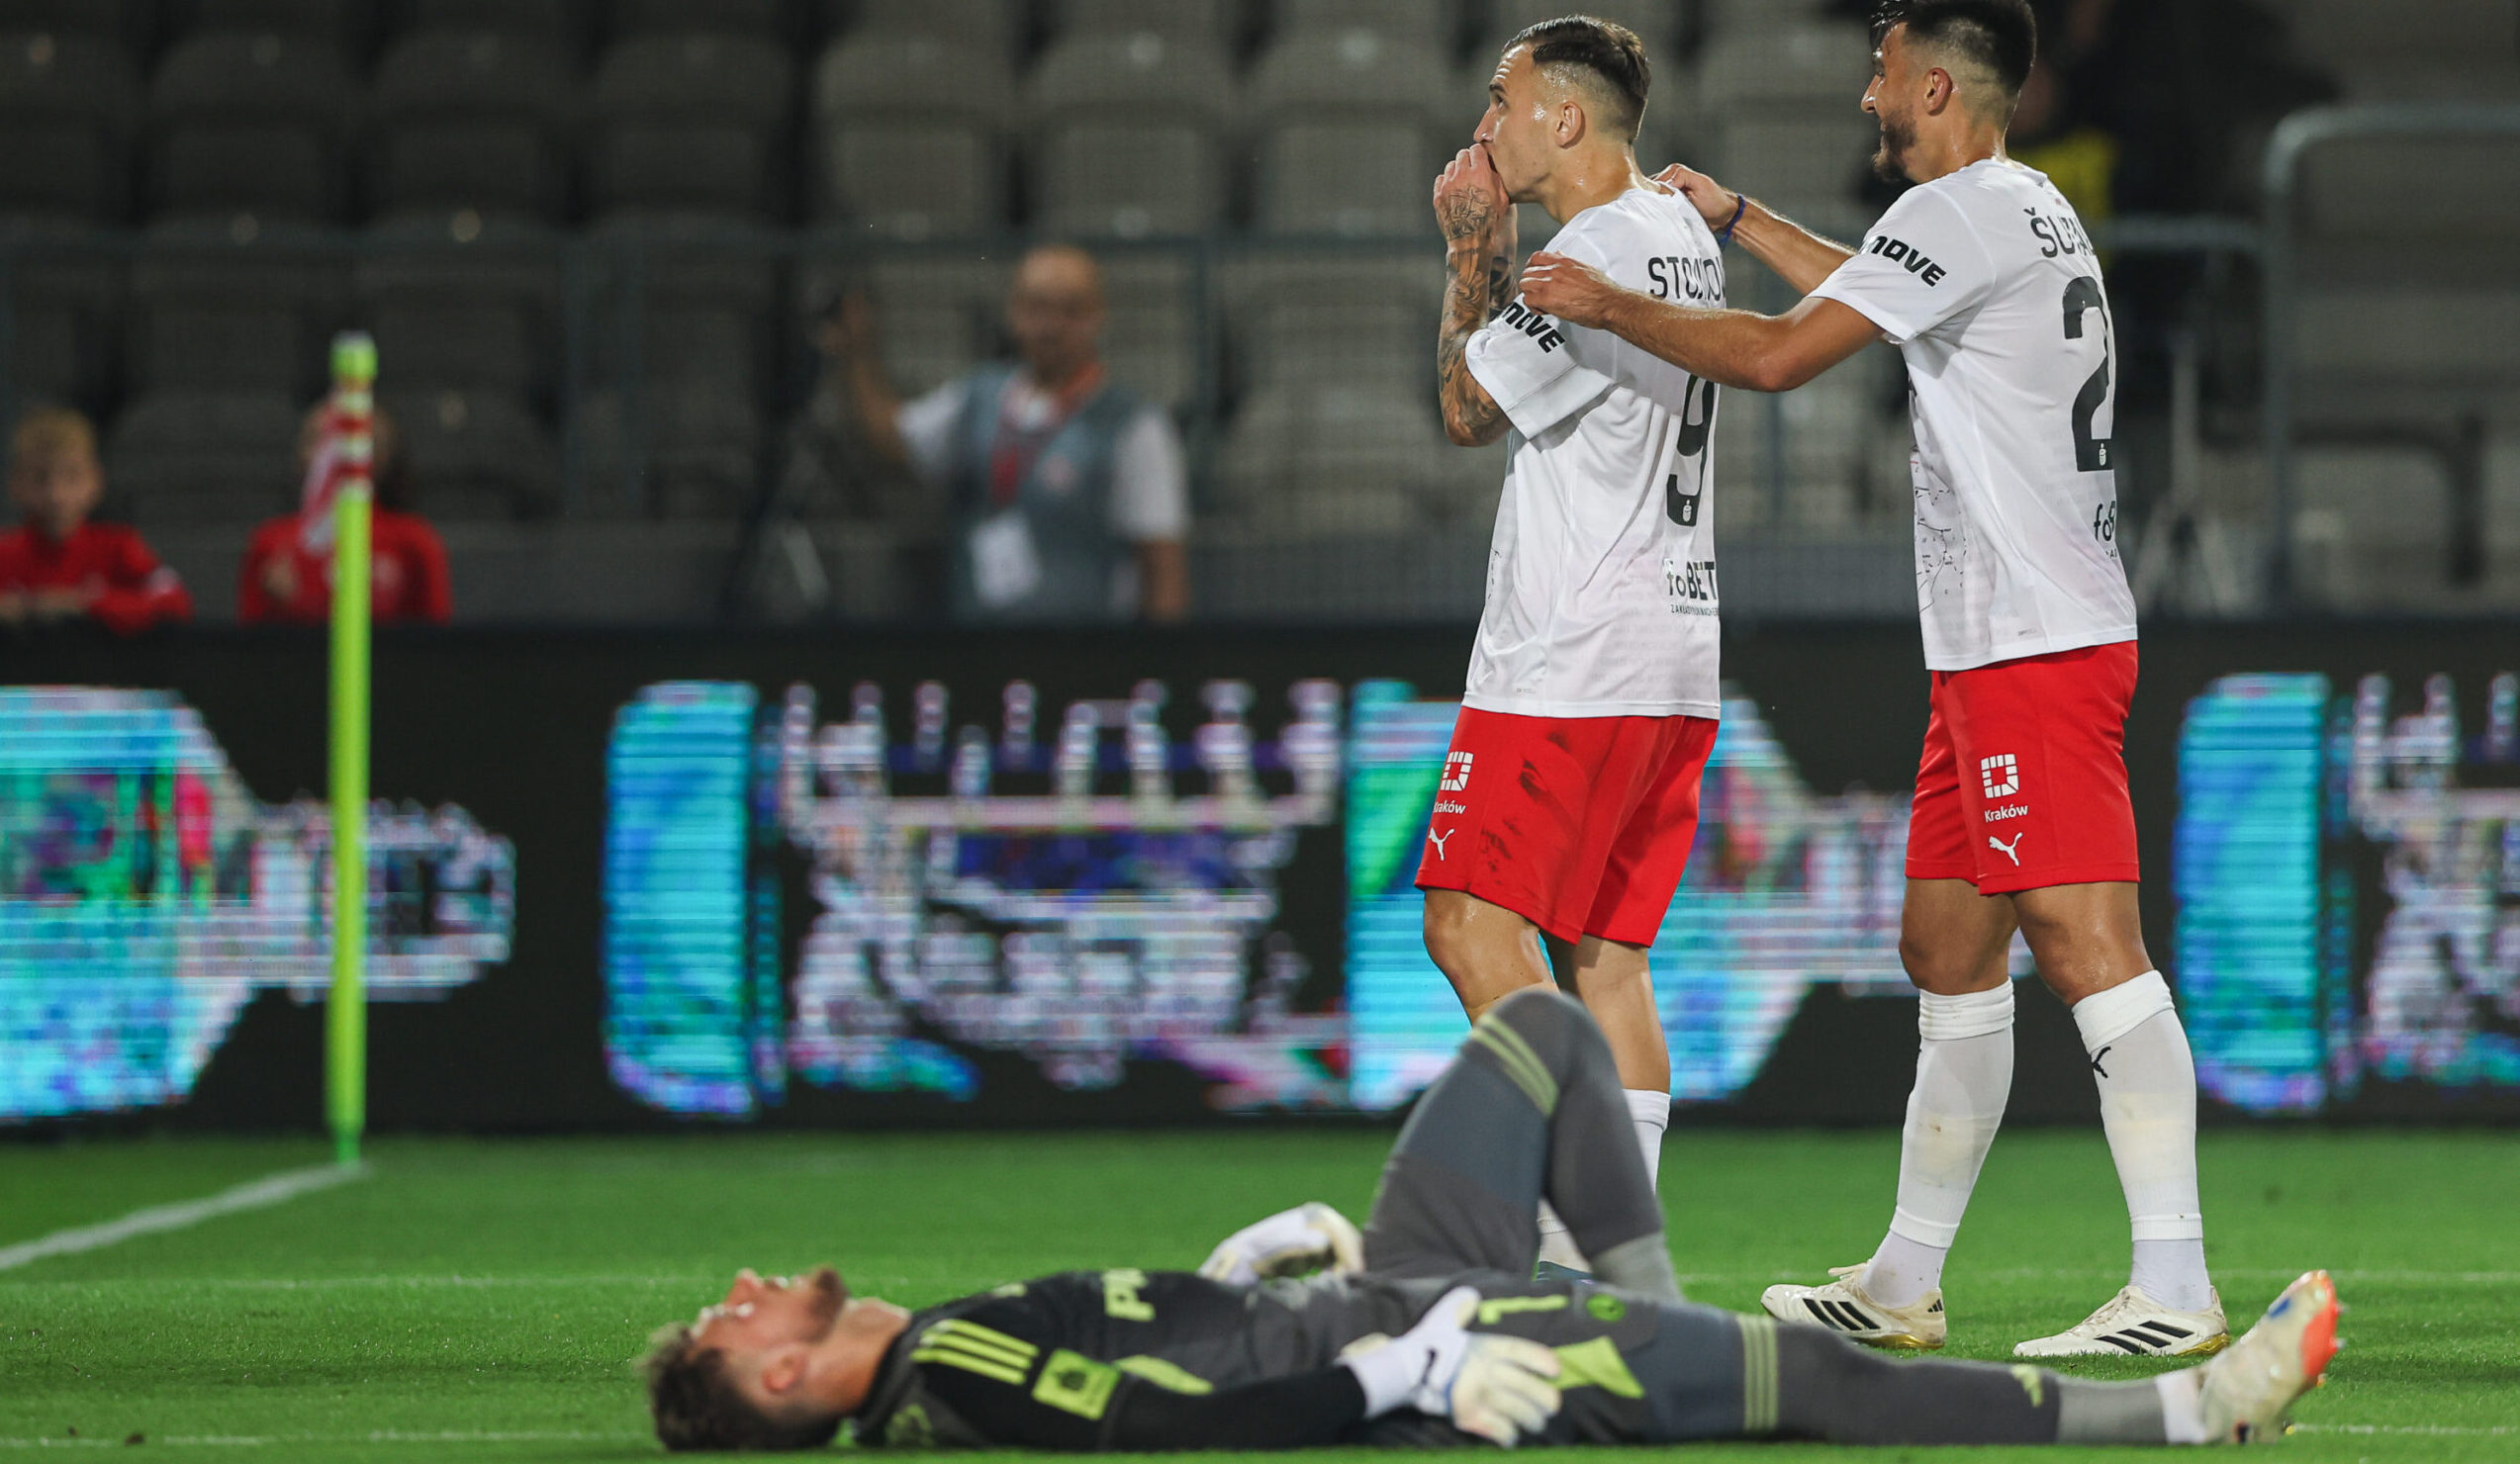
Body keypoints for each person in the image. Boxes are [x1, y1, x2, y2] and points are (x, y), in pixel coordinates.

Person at [1515, 0, 2212, 1357]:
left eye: (1881, 72)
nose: (1864, 96)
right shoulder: (2007, 208)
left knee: (2084, 945)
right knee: (1945, 950)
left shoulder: (1952, 216)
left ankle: (2174, 1282)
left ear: (1938, 88)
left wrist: (1609, 301)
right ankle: (1901, 1281)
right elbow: (1874, 292)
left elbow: (1780, 355)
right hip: (1993, 648)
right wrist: (1740, 221)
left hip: (2032, 643)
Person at [637, 988, 2340, 1453]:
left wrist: (1223, 1276)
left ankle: (1654, 1331)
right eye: (733, 1320)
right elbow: (1185, 1431)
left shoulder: (942, 1368)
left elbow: (1157, 1366)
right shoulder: (948, 1374)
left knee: (1538, 1033)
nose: (745, 1285)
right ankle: (2188, 1411)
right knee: (1818, 1391)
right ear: (783, 1387)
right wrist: (1408, 1367)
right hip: (1400, 1346)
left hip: (1375, 1299)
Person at [1417, 16, 1731, 1274]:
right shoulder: (1676, 234)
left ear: (1564, 118)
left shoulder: (1595, 251)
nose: (1485, 123)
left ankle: (1575, 1232)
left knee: (1467, 922)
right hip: (1674, 651)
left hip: (1572, 659)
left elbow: (1462, 408)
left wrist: (1471, 246)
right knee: (1606, 954)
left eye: (1502, 99)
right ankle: (1621, 1267)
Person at [821, 245, 1189, 625]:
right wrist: (857, 356)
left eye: (1070, 310)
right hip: (981, 650)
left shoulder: (1135, 426)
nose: (1051, 326)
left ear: (1097, 315)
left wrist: (1153, 668)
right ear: (1014, 312)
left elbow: (1162, 564)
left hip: (1085, 658)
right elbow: (892, 437)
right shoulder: (977, 398)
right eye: (1037, 307)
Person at [239, 404, 451, 626]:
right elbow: (248, 648)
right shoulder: (272, 543)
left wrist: (303, 605)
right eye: (318, 441)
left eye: (345, 441)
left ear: (380, 455)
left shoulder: (414, 541)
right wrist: (279, 606)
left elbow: (435, 642)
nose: (332, 457)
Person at [0, 407, 192, 635]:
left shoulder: (119, 546)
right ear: (15, 484)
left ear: (95, 480)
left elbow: (175, 601)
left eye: (72, 476)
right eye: (40, 478)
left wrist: (86, 604)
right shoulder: (5, 552)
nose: (56, 494)